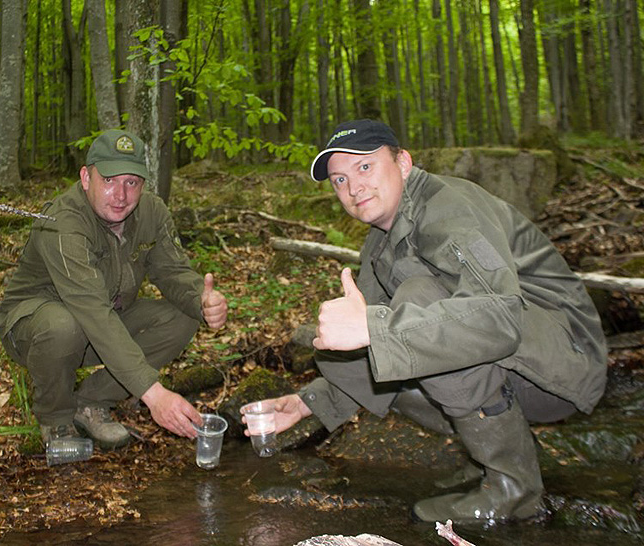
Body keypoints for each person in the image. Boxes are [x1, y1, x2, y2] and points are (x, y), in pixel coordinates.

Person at [245, 119, 607, 524]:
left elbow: (501, 315)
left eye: (365, 167)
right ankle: (489, 458)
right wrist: (303, 404)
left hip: (564, 363)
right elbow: (374, 349)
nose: (353, 188)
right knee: (368, 347)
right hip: (522, 362)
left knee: (414, 305)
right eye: (339, 180)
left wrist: (375, 329)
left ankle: (514, 490)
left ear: (403, 163)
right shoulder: (380, 243)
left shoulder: (448, 207)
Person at [0, 129, 227, 450]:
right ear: (86, 178)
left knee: (183, 316)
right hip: (37, 328)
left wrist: (201, 300)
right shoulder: (62, 221)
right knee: (65, 325)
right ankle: (56, 419)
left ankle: (90, 402)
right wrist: (154, 394)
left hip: (105, 319)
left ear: (143, 185)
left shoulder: (151, 212)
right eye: (109, 181)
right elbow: (90, 310)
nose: (120, 195)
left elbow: (172, 272)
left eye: (131, 182)